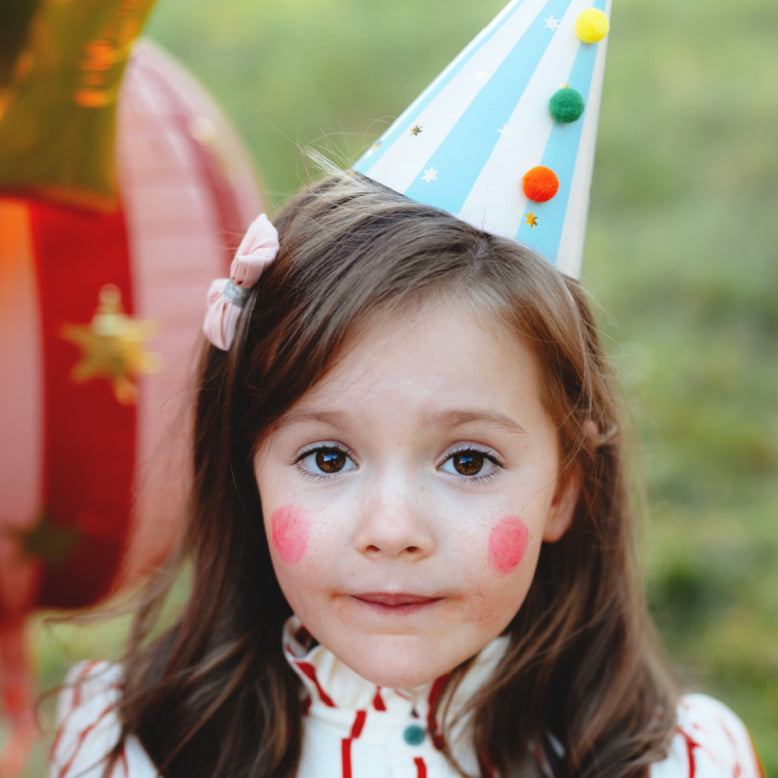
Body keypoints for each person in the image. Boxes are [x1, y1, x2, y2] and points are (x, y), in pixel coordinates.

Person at [48, 172, 764, 778]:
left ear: (565, 486)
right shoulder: (132, 753)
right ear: (250, 473)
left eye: (469, 461)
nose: (392, 531)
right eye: (328, 458)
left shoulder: (681, 763)